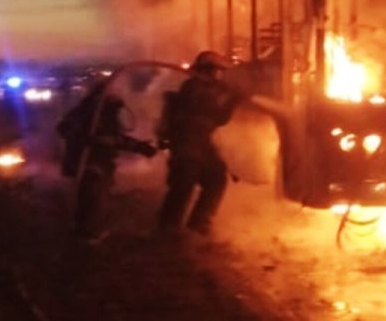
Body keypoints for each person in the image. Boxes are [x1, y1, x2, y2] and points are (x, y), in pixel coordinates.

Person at [157, 51, 247, 235]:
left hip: (202, 143)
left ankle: (199, 223)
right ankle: (167, 229)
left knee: (216, 177)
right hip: (185, 144)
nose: (220, 75)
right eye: (218, 70)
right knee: (183, 184)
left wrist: (233, 102)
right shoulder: (192, 87)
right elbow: (200, 105)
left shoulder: (208, 89)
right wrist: (222, 92)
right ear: (208, 70)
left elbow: (219, 119)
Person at [58, 81, 157, 242]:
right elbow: (64, 128)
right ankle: (87, 235)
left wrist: (140, 147)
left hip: (99, 161)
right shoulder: (90, 111)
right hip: (91, 161)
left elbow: (115, 139)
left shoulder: (105, 113)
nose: (117, 96)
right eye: (113, 93)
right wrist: (87, 138)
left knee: (94, 197)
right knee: (93, 197)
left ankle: (84, 231)